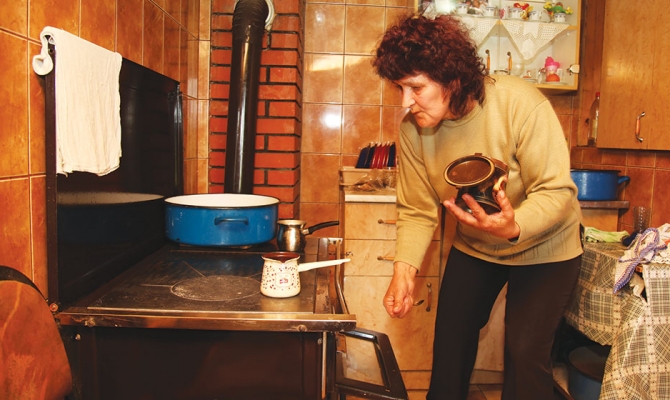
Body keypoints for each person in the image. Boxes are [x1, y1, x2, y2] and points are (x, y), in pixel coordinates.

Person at [372, 13, 583, 400]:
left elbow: (556, 191)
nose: (405, 102)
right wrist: (404, 273)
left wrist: (513, 225)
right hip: (477, 245)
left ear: (451, 79)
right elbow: (417, 210)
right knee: (450, 344)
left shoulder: (519, 103)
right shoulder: (413, 131)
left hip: (546, 247)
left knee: (524, 352)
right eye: (399, 88)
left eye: (415, 87)